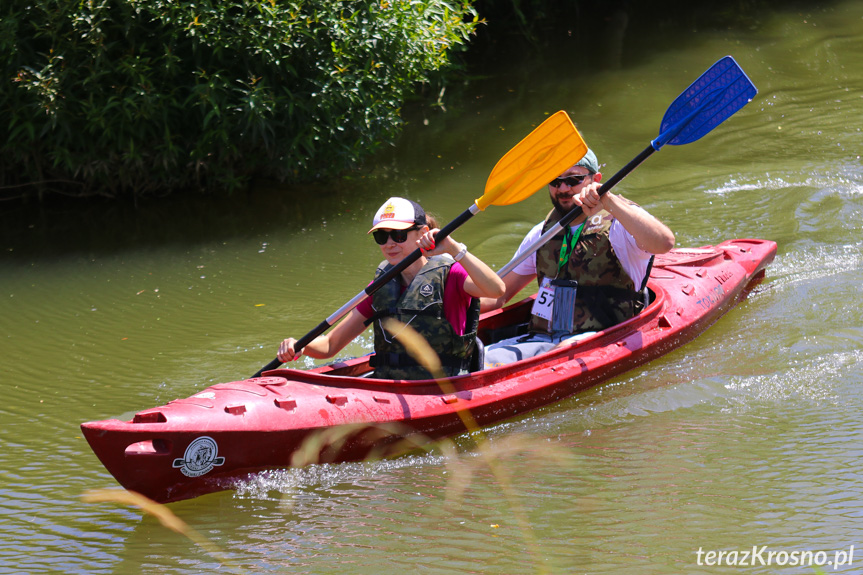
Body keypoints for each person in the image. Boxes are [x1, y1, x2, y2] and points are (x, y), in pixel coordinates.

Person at [481, 148, 675, 367]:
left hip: (604, 337)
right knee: (482, 358)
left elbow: (664, 243)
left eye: (574, 179)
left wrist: (608, 200)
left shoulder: (620, 225)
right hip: (544, 337)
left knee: (558, 354)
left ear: (595, 179)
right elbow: (499, 294)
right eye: (555, 181)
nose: (563, 188)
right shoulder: (541, 233)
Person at [277, 197, 506, 379]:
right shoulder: (380, 286)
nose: (389, 243)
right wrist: (299, 346)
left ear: (423, 232)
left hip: (442, 386)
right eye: (381, 236)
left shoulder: (451, 274)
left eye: (398, 234)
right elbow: (329, 346)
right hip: (390, 384)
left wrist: (455, 249)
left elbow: (497, 290)